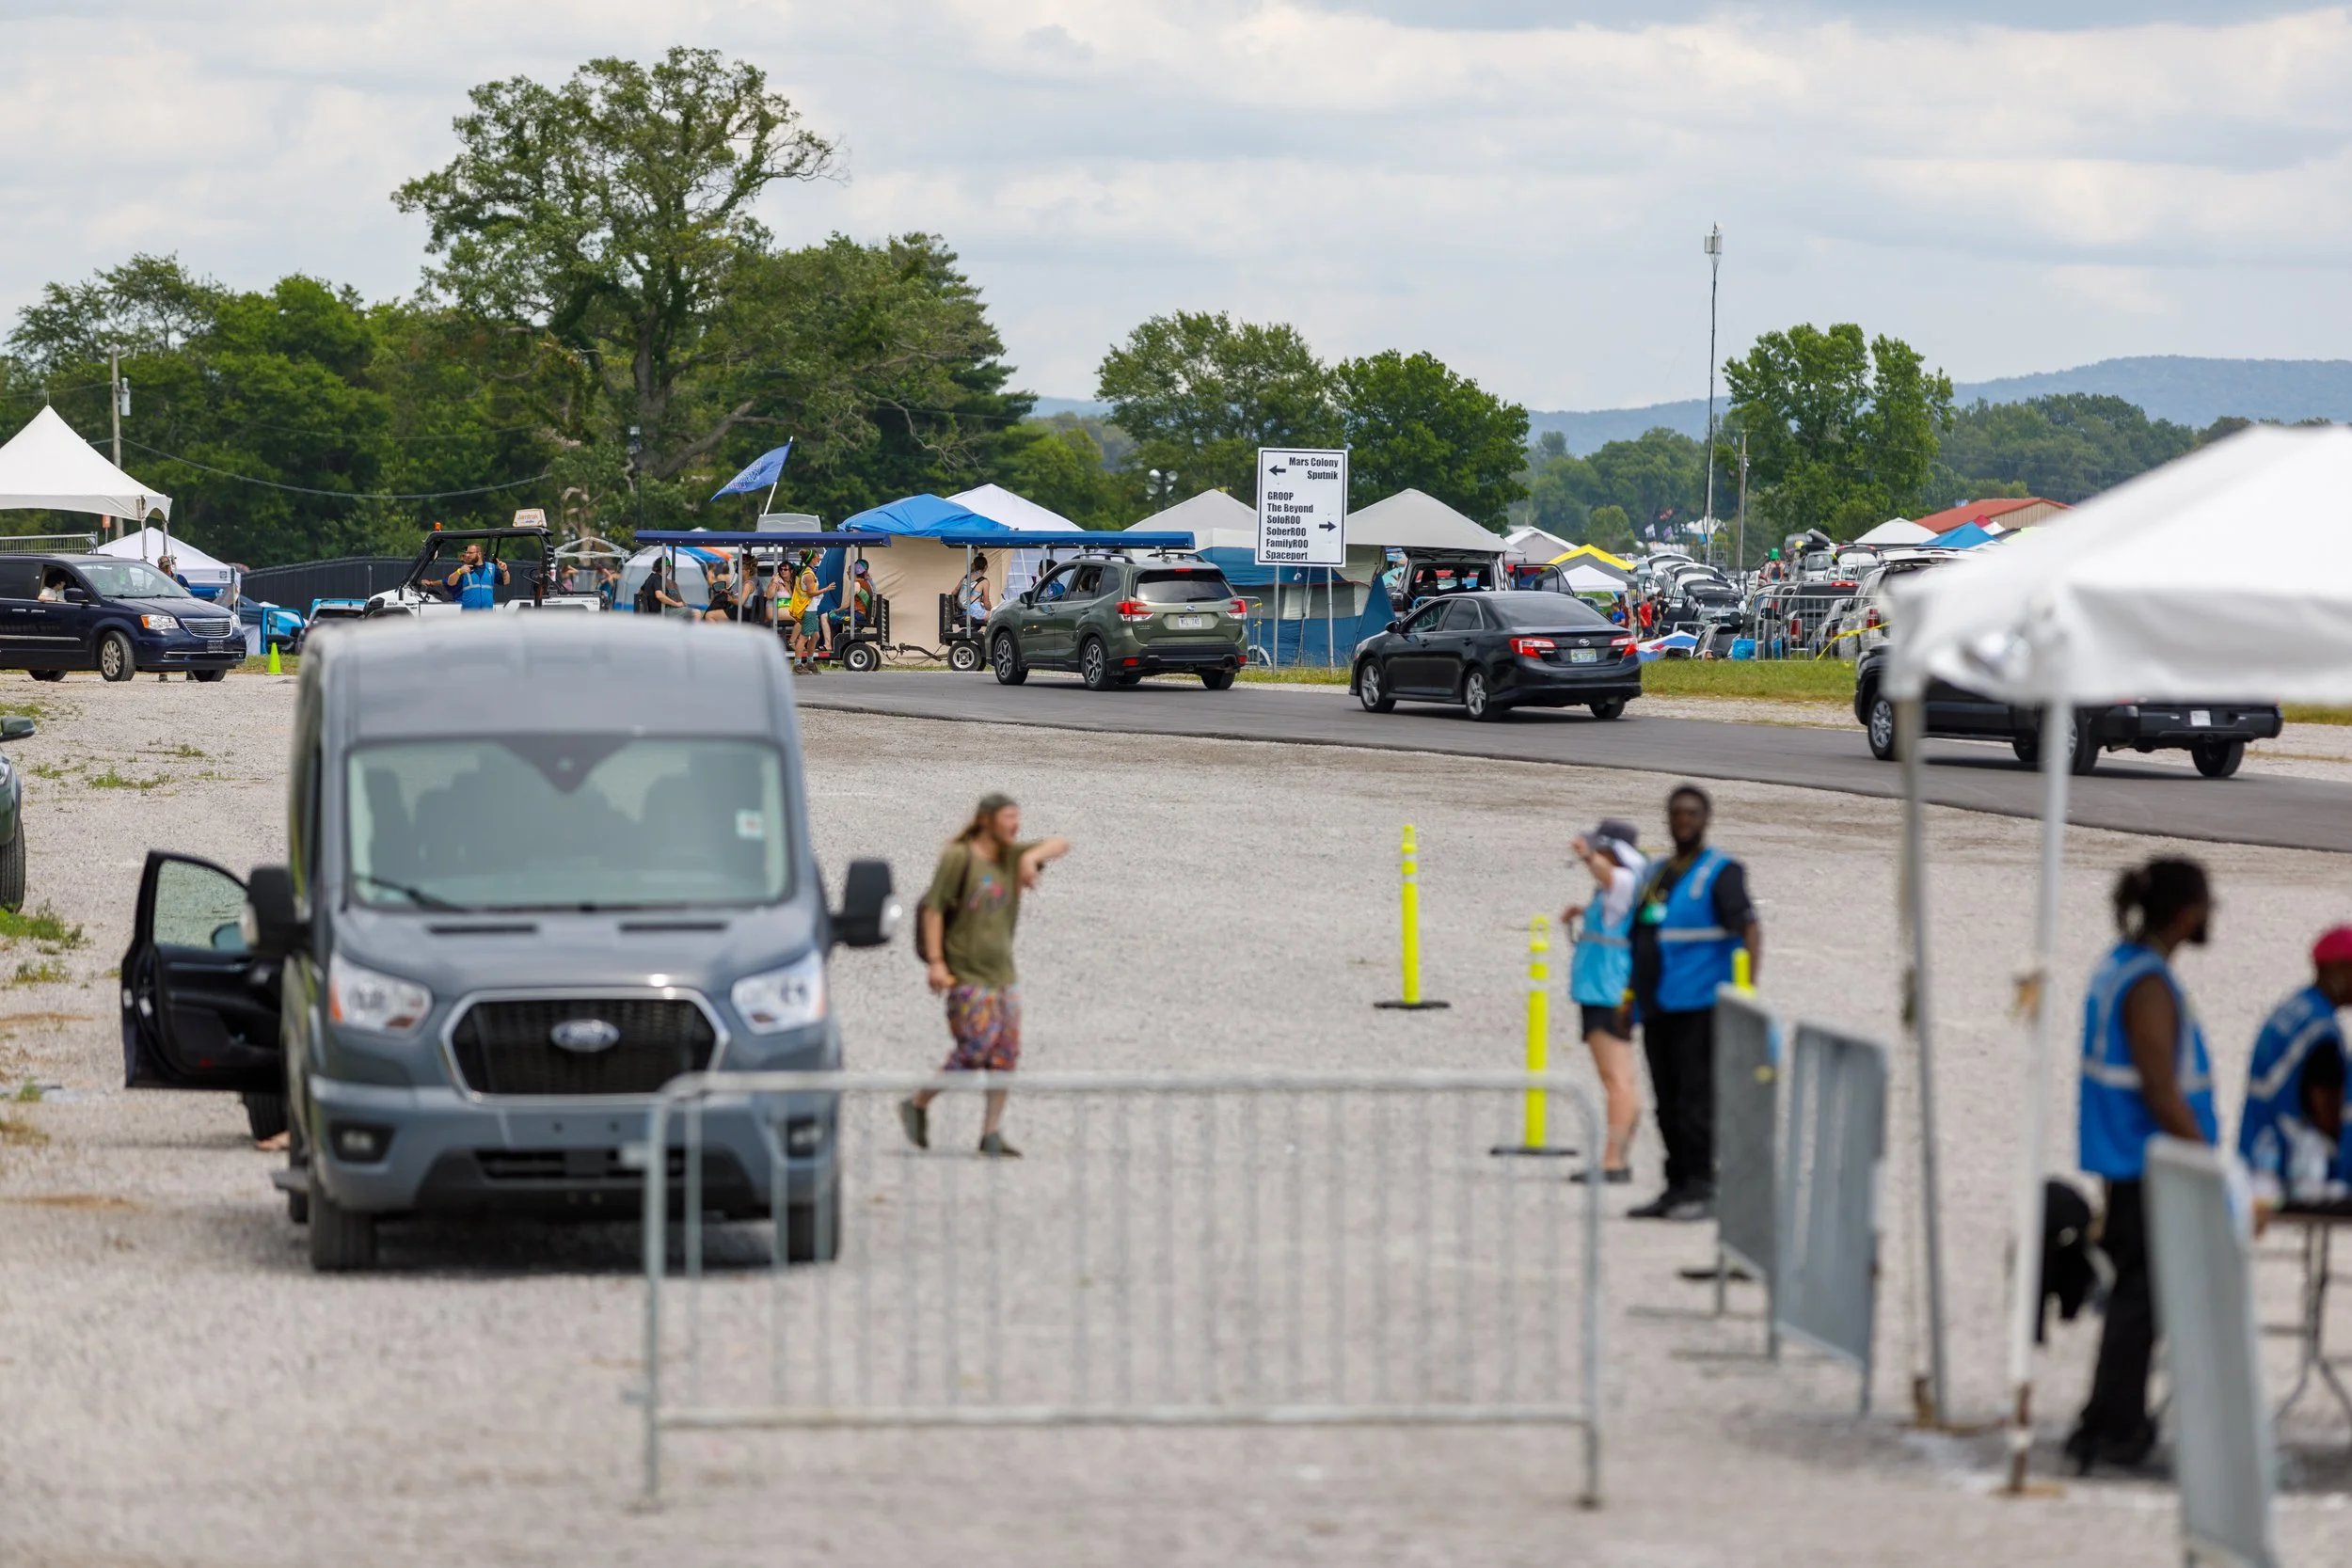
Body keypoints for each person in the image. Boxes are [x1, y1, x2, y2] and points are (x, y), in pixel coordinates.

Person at [2065, 857, 2218, 1475]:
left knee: (2136, 1294)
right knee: (2140, 1300)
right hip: (2146, 1158)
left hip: (2124, 1154)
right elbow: (2160, 1087)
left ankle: (2103, 1416)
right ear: (2186, 913)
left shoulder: (2119, 965)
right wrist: (2208, 1161)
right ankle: (2117, 1426)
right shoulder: (2147, 983)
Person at [899, 794, 1071, 1158]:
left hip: (1004, 977)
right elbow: (933, 908)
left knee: (1005, 1055)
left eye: (1018, 817)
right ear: (986, 820)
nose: (1016, 825)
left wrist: (1030, 857)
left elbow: (1061, 843)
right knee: (975, 1048)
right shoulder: (958, 858)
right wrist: (936, 963)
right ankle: (917, 1103)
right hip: (966, 975)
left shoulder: (1012, 856)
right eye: (1009, 817)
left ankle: (990, 1133)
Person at [1618, 784, 1760, 1221]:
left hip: (1700, 1006)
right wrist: (1627, 999)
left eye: (1692, 813)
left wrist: (1745, 994)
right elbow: (1639, 936)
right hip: (1657, 1006)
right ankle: (1676, 1184)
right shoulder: (1656, 874)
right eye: (1677, 812)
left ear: (1706, 819)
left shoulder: (1721, 873)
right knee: (1667, 1099)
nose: (1684, 820)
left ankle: (1703, 1184)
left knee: (1696, 1099)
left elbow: (1750, 931)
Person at [2237, 926, 2352, 1206]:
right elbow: (2326, 1113)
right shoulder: (2321, 1032)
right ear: (2338, 969)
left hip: (2255, 1153)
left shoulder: (2293, 1010)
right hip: (2293, 1167)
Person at [1565, 818, 1645, 1181]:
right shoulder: (1619, 886)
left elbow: (1608, 876)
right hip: (1610, 989)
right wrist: (1583, 914)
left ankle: (1612, 1162)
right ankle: (1619, 1157)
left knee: (1615, 1080)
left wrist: (1585, 855)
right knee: (1623, 1078)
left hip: (1605, 991)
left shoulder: (1625, 880)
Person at [440, 543, 507, 610]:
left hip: (487, 615)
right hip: (469, 616)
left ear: (479, 554)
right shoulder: (464, 569)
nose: (467, 555)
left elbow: (506, 581)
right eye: (466, 553)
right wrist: (459, 571)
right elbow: (450, 582)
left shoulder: (491, 568)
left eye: (470, 553)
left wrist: (505, 570)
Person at [956, 558, 993, 630]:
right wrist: (991, 610)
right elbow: (986, 602)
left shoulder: (966, 577)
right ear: (985, 567)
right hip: (975, 612)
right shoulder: (984, 581)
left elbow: (954, 592)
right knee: (996, 616)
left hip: (964, 611)